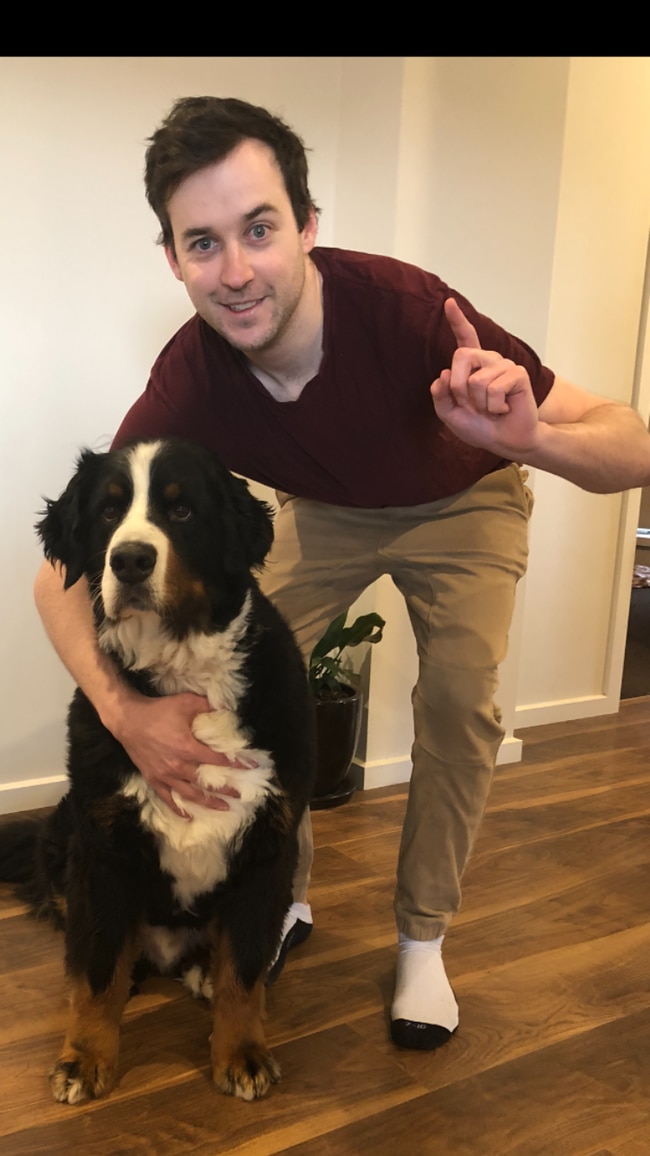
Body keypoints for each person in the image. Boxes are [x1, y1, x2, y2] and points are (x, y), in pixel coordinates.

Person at [34, 96, 650, 1052]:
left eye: (260, 229)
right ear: (173, 257)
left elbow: (631, 441)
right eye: (203, 242)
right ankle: (276, 896)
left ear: (309, 224)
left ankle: (422, 941)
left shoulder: (411, 313)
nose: (235, 272)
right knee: (242, 678)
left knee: (458, 697)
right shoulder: (192, 375)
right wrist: (126, 716)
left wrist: (532, 438)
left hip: (465, 502)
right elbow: (62, 575)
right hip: (324, 513)